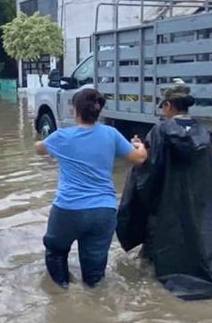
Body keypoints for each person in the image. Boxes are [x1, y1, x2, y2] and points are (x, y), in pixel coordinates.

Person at [117, 82, 212, 300]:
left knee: (151, 257)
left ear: (168, 105)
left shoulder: (160, 131)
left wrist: (139, 149)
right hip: (197, 203)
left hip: (167, 204)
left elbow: (149, 170)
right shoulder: (202, 131)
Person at [35, 88, 147, 288]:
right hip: (103, 211)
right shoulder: (111, 134)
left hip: (68, 209)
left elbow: (39, 149)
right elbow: (139, 159)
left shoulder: (61, 136)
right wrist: (140, 146)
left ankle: (61, 294)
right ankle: (95, 299)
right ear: (98, 111)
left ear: (75, 110)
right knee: (95, 274)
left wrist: (43, 141)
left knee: (56, 251)